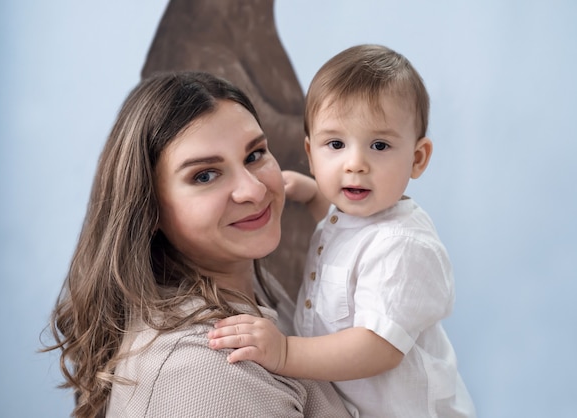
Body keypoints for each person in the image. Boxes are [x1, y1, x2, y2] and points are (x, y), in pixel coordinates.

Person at [42, 71, 351, 418]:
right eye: (204, 175)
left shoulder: (254, 294)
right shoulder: (209, 370)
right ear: (149, 208)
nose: (253, 190)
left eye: (254, 155)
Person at [208, 44, 477, 417]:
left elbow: (377, 347)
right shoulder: (354, 214)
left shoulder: (403, 247)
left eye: (379, 145)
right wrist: (314, 193)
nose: (355, 164)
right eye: (335, 144)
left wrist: (284, 352)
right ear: (311, 152)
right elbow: (344, 232)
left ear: (417, 159)